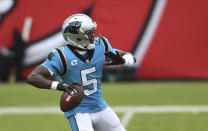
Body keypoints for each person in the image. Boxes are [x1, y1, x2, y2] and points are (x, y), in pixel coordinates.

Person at [27, 13, 136, 131]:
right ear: (76, 37)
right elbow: (33, 77)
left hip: (99, 105)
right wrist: (59, 86)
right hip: (78, 110)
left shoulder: (101, 45)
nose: (93, 36)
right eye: (88, 33)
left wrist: (124, 60)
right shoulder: (61, 55)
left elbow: (130, 57)